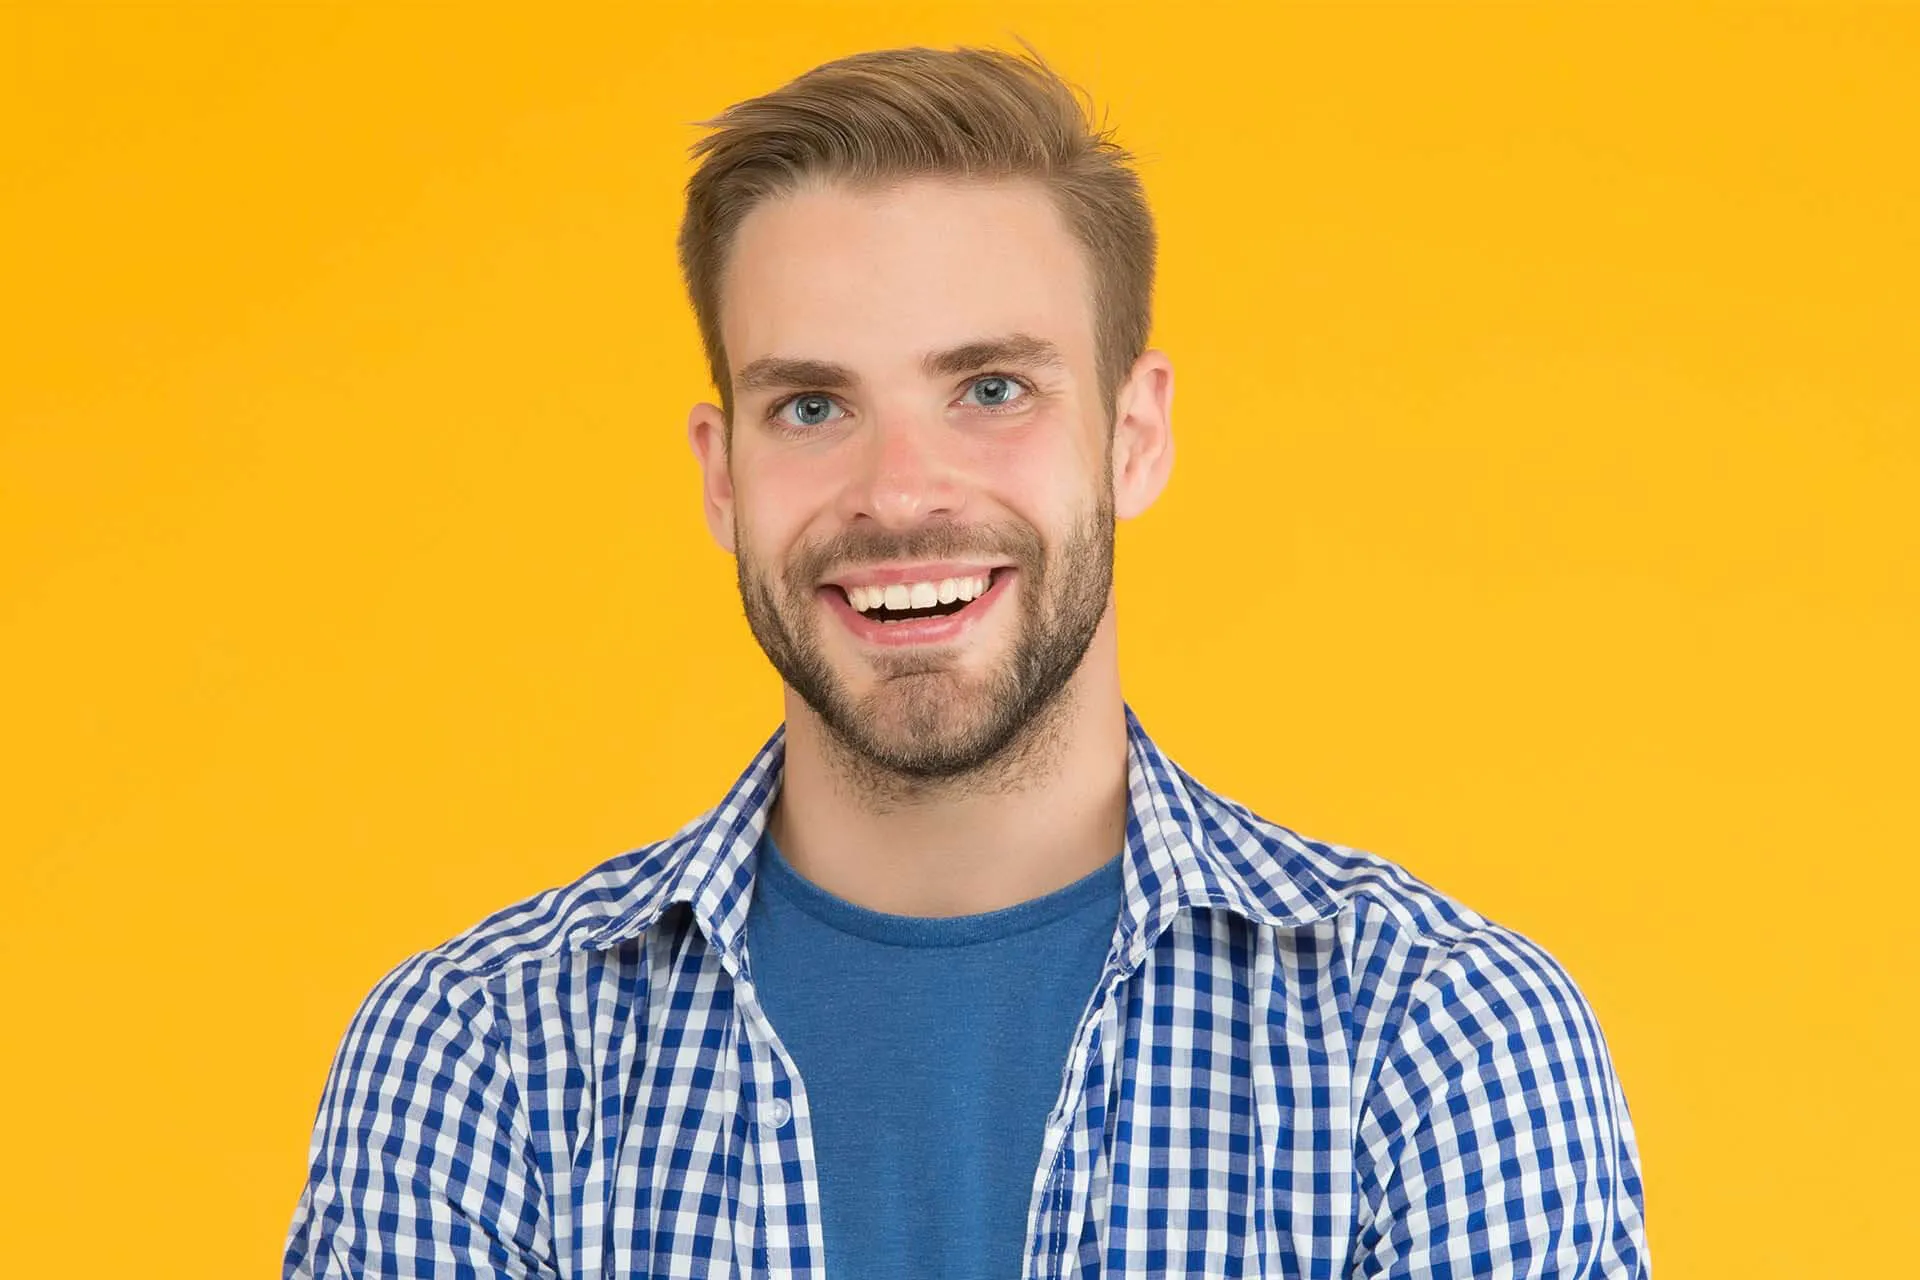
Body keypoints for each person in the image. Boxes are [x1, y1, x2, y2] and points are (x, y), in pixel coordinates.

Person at [285, 45, 1649, 1279]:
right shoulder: (479, 1062)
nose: (899, 494)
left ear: (1134, 435)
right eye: (812, 406)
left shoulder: (1436, 1046)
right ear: (722, 475)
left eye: (992, 390)